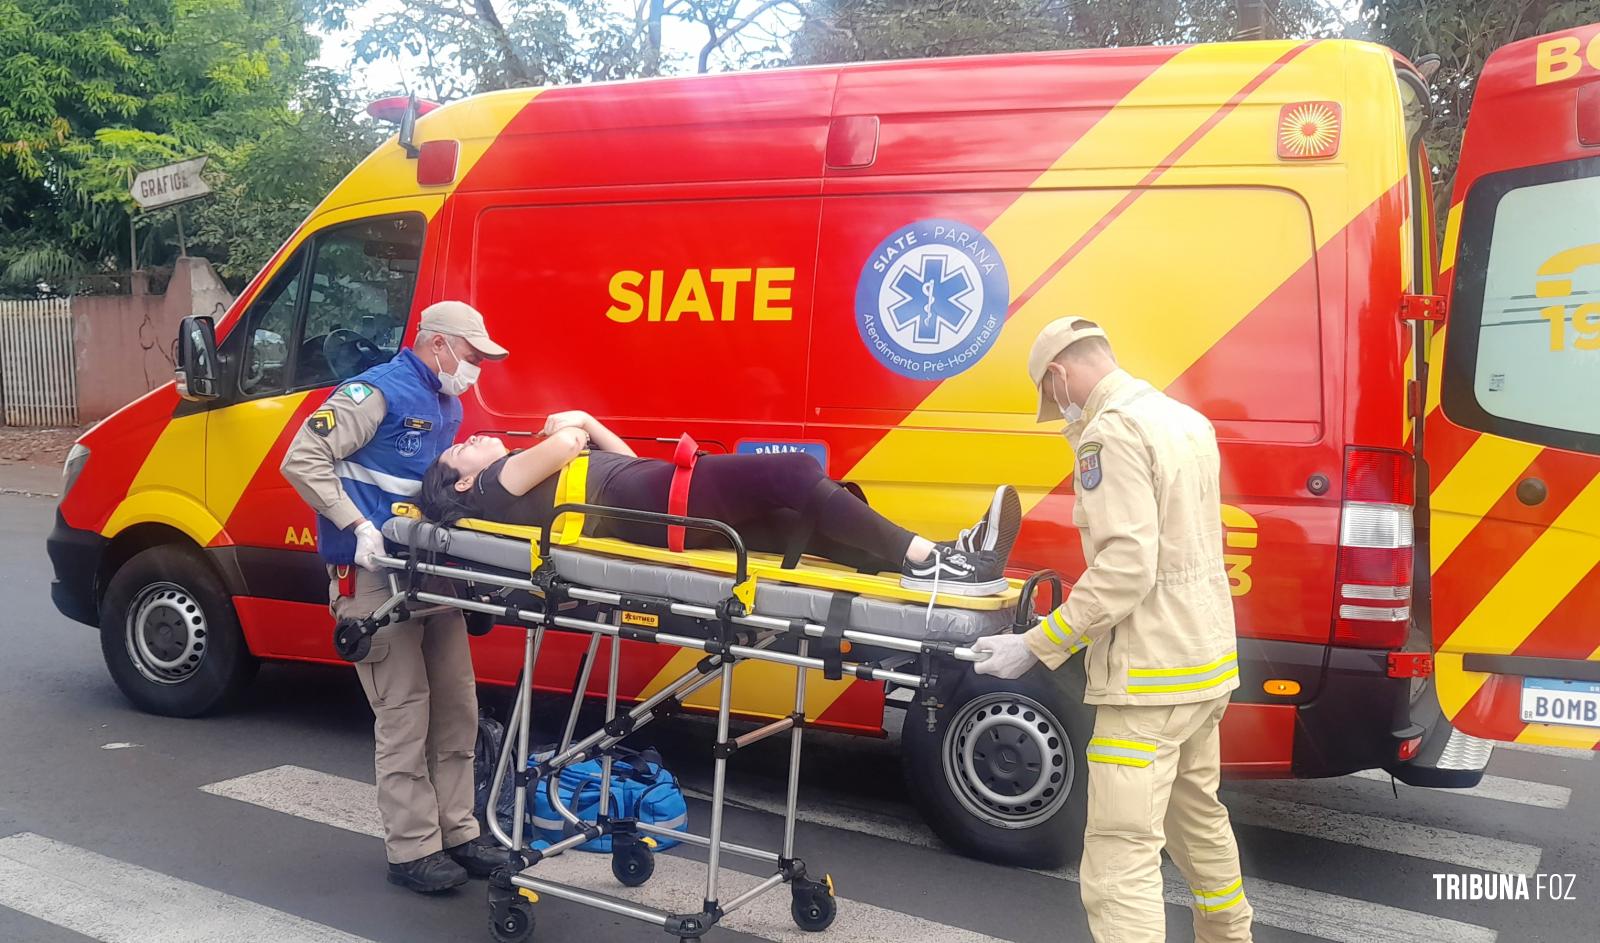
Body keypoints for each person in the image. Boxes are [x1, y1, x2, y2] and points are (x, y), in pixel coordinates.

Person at [972, 317, 1252, 943]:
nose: (1062, 411)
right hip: (1204, 667)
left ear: (1058, 374)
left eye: (1055, 398)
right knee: (1198, 820)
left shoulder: (1112, 433)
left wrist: (1035, 644)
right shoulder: (1186, 421)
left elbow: (1126, 567)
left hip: (1148, 681)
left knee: (1120, 858)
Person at [280, 300, 509, 893]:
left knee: (457, 710)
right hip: (374, 575)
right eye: (473, 354)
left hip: (431, 572)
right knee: (404, 714)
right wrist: (354, 526)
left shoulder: (447, 403)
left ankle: (460, 832)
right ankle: (412, 850)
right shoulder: (374, 393)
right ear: (438, 345)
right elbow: (302, 458)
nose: (477, 366)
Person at [418, 412, 1022, 596]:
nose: (470, 442)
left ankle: (939, 569)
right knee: (792, 472)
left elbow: (618, 456)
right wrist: (572, 424)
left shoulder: (503, 476)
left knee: (797, 521)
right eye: (458, 452)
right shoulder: (496, 485)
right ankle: (932, 559)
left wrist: (591, 424)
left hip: (649, 494)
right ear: (462, 485)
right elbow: (566, 446)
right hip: (651, 500)